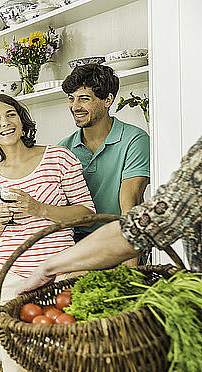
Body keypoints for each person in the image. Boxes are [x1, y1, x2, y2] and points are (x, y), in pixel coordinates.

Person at [0, 93, 96, 372]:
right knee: (17, 368)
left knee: (65, 365)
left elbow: (87, 213)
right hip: (10, 282)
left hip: (59, 277)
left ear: (21, 118)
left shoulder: (58, 158)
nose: (5, 122)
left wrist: (38, 208)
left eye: (10, 114)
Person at [19, 136, 202, 294]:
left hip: (103, 251)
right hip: (83, 253)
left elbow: (134, 229)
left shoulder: (134, 140)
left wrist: (47, 268)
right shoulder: (66, 146)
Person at [58, 64, 150, 266]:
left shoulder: (134, 139)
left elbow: (130, 203)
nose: (75, 106)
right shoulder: (63, 149)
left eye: (84, 98)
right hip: (74, 248)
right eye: (71, 98)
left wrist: (130, 267)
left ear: (108, 100)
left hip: (119, 243)